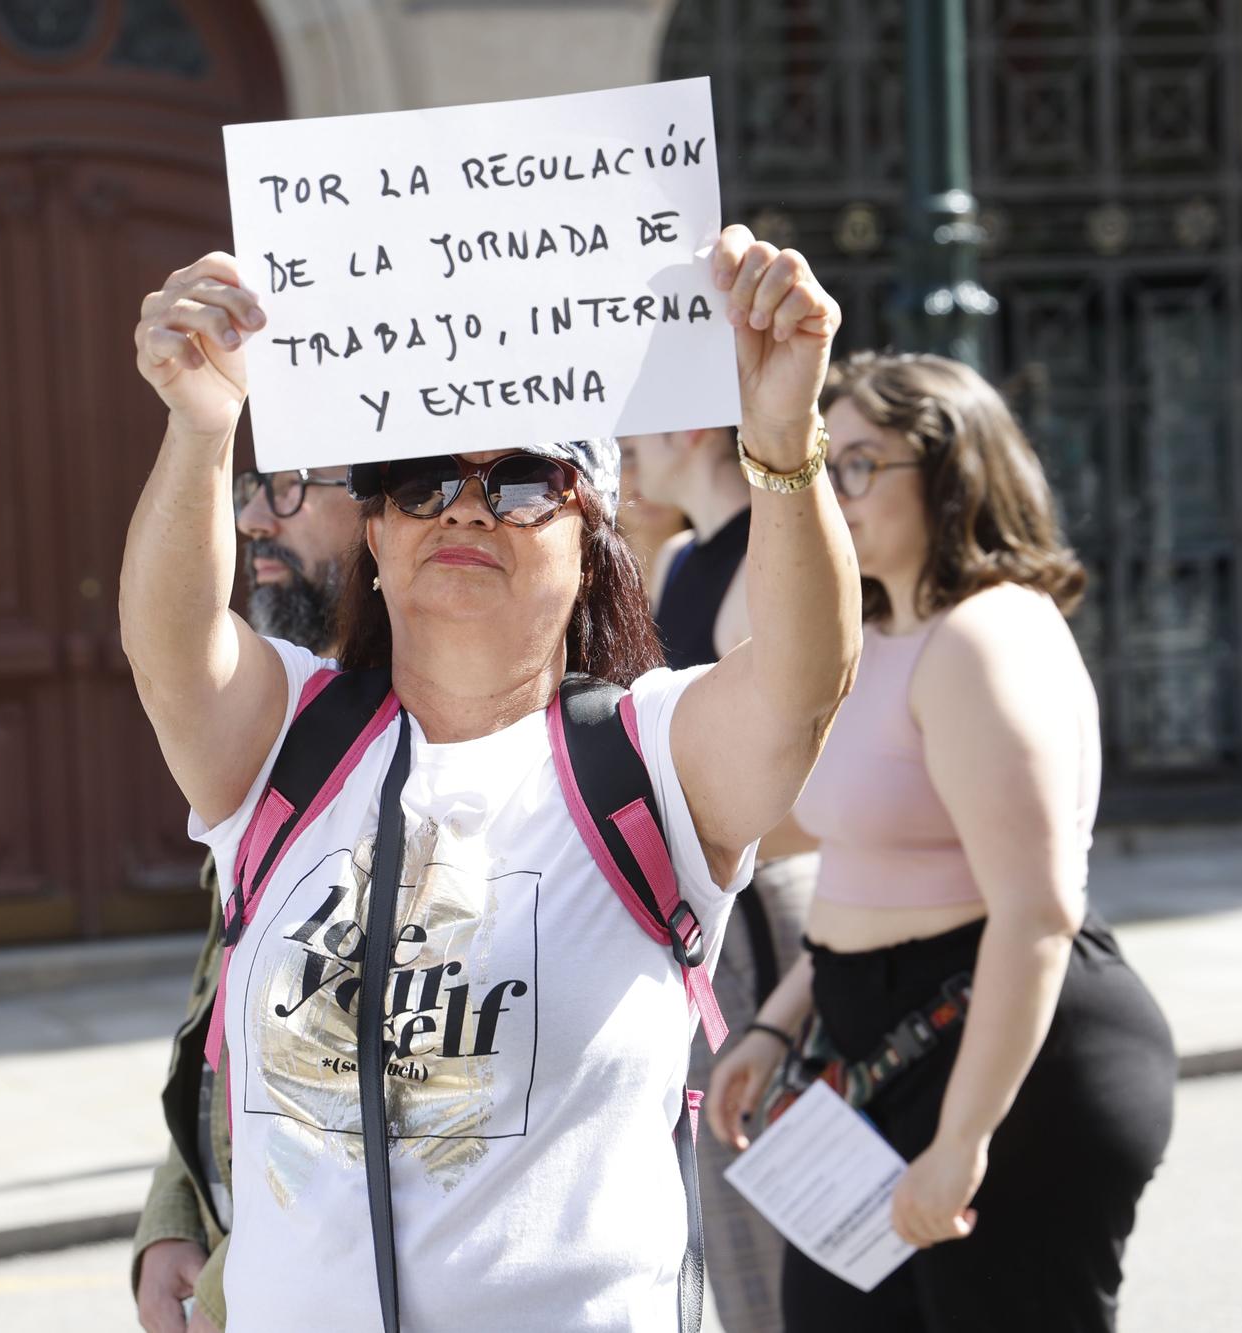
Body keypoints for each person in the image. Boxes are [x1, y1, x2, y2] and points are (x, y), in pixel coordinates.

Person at [119, 227, 860, 1330]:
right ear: (373, 531)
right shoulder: (291, 740)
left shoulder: (646, 759)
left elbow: (804, 678)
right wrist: (197, 422)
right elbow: (171, 644)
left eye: (521, 482)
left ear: (590, 534)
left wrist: (783, 442)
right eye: (419, 482)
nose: (466, 508)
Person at [703, 352, 1177, 1332]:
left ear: (951, 472)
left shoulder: (984, 635)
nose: (836, 488)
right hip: (880, 1046)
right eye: (828, 461)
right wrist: (778, 1023)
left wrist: (965, 1138)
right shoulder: (870, 630)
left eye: (860, 464)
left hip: (1012, 1062)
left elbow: (1035, 910)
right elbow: (868, 870)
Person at [132, 463, 363, 1333]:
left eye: (297, 484)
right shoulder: (283, 731)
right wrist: (177, 1213)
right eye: (252, 484)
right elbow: (231, 1026)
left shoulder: (448, 748)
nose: (256, 518)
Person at [619, 425, 820, 1333]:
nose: (623, 448)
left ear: (691, 428)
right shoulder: (674, 562)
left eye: (637, 427)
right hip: (704, 912)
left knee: (781, 1206)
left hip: (762, 912)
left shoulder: (763, 579)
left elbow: (808, 786)